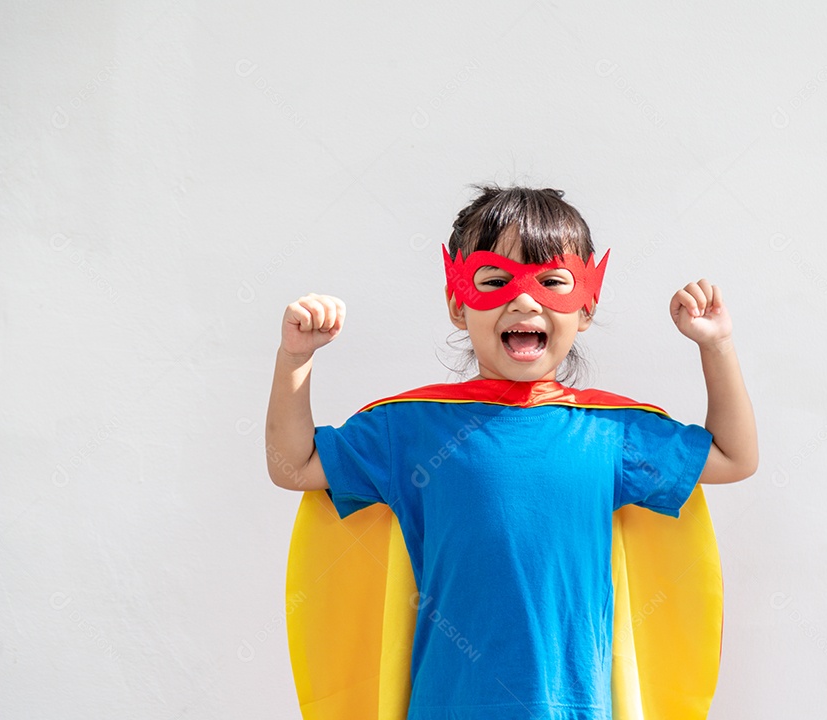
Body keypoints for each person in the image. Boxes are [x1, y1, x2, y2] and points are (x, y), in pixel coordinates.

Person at [265, 185, 758, 720]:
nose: (524, 299)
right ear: (458, 303)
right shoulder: (410, 426)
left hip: (573, 709)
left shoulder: (612, 433)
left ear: (587, 307)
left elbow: (735, 457)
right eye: (495, 281)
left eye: (552, 283)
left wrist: (717, 345)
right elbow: (293, 467)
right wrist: (295, 359)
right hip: (445, 706)